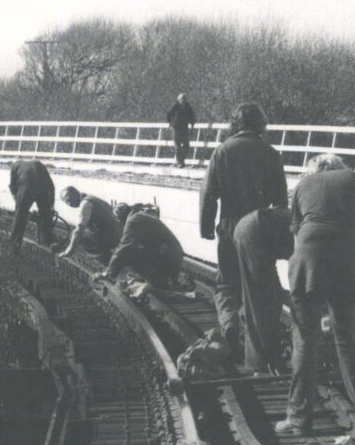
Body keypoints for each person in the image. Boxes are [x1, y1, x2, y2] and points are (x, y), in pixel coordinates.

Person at [278, 152, 355, 435]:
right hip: (345, 261)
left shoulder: (304, 185)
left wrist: (299, 277)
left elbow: (297, 239)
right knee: (349, 337)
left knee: (305, 339)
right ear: (339, 167)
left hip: (308, 262)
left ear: (315, 169)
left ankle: (298, 418)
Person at [198, 102, 288, 371]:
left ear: (235, 124)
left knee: (227, 285)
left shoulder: (222, 151)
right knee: (262, 290)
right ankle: (264, 348)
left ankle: (230, 325)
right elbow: (281, 200)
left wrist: (205, 226)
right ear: (261, 124)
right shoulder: (270, 153)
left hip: (229, 228)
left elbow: (208, 193)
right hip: (260, 232)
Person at [227, 207, 295, 374]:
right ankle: (266, 362)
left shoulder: (317, 225)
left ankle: (260, 360)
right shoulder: (318, 235)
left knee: (261, 300)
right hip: (256, 233)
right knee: (265, 303)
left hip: (250, 229)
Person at [105, 205, 189, 290]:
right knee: (134, 251)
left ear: (121, 217)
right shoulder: (139, 215)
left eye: (118, 219)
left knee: (130, 254)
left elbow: (125, 247)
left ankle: (154, 280)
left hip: (168, 257)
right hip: (171, 254)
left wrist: (108, 273)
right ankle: (154, 279)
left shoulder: (133, 221)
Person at [60, 186, 123, 264]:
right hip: (118, 232)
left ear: (75, 193)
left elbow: (79, 230)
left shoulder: (85, 204)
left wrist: (69, 250)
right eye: (65, 202)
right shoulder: (90, 198)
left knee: (78, 237)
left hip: (114, 236)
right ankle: (105, 251)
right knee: (86, 231)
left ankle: (103, 257)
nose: (68, 203)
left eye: (68, 199)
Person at [9, 159, 56, 252]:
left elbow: (13, 187)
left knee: (20, 218)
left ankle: (14, 246)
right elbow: (51, 186)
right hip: (43, 188)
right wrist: (51, 206)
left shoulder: (15, 166)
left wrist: (19, 206)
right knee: (46, 216)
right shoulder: (38, 163)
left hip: (27, 187)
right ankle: (48, 242)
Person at [166, 92, 197, 168]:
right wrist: (170, 122)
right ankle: (180, 162)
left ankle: (182, 160)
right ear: (178, 100)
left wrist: (192, 124)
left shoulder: (188, 106)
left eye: (184, 99)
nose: (183, 101)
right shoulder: (175, 106)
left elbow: (192, 115)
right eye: (181, 99)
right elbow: (169, 114)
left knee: (186, 145)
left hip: (184, 127)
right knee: (178, 145)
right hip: (176, 127)